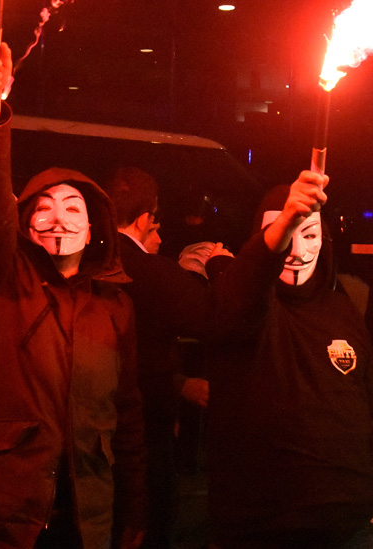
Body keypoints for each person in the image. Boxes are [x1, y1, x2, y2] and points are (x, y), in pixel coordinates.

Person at [0, 39, 146, 549]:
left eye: (74, 208)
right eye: (43, 208)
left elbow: (129, 416)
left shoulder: (114, 305)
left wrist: (134, 513)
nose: (58, 218)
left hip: (82, 520)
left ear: (95, 226)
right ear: (26, 226)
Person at [203, 174, 373, 549]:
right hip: (262, 530)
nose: (296, 249)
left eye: (309, 234)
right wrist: (284, 221)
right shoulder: (238, 306)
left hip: (354, 525)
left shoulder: (341, 307)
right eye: (283, 232)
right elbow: (245, 291)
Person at [104, 166, 223, 549]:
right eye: (155, 222)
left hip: (91, 425)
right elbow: (215, 316)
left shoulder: (88, 263)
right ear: (143, 219)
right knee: (151, 523)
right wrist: (218, 266)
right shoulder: (155, 273)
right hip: (147, 426)